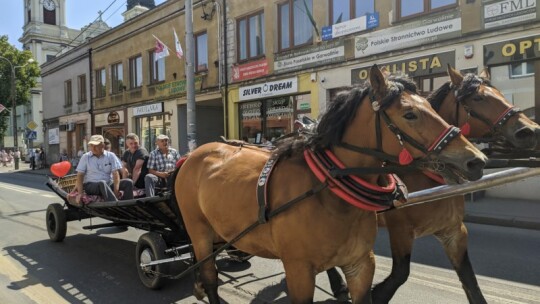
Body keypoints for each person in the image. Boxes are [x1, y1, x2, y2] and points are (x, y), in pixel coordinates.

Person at [74, 134, 133, 202]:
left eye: (96, 146)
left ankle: (128, 205)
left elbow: (115, 175)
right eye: (91, 146)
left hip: (108, 183)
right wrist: (80, 193)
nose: (93, 148)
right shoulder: (85, 157)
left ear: (102, 145)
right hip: (91, 186)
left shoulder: (111, 156)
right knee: (102, 183)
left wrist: (116, 192)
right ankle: (114, 204)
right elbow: (80, 175)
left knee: (128, 182)